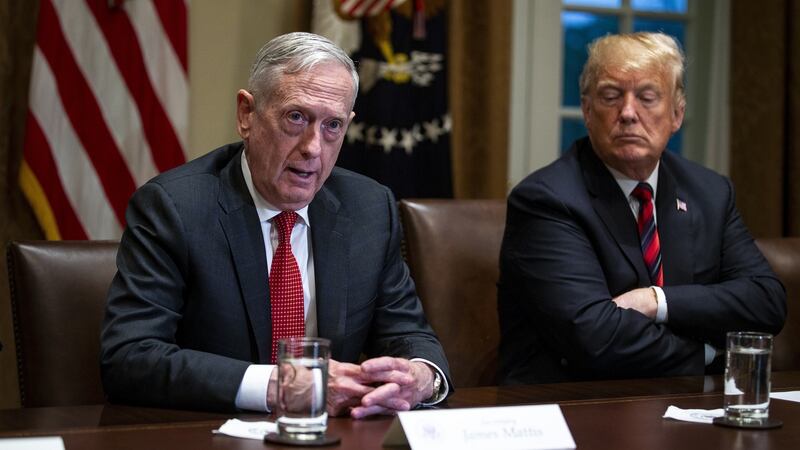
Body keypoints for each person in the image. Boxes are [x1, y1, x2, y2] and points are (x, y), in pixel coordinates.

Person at [100, 32, 450, 417]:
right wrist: (281, 386)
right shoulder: (175, 208)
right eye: (296, 117)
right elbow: (130, 358)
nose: (313, 147)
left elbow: (411, 335)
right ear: (246, 114)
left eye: (332, 126)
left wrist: (420, 377)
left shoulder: (369, 209)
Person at [498, 32, 787, 385]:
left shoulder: (709, 191)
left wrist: (657, 300)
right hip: (577, 406)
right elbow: (595, 337)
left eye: (647, 97)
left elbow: (766, 302)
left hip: (685, 408)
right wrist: (711, 352)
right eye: (610, 96)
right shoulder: (547, 199)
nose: (628, 113)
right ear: (587, 112)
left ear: (677, 114)